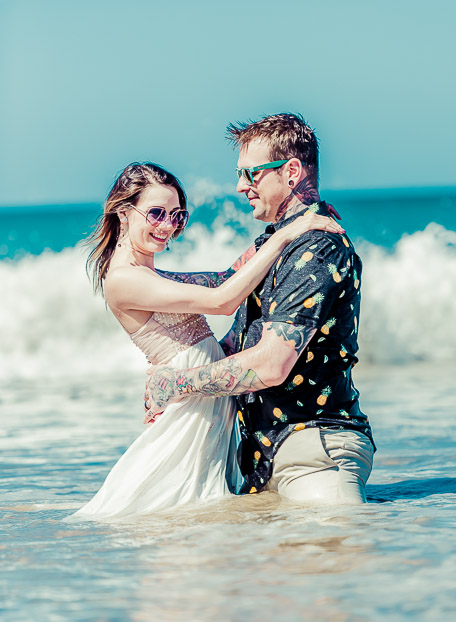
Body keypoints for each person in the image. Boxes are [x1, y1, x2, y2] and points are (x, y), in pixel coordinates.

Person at [73, 162, 341, 519]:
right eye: (156, 213)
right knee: (171, 511)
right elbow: (223, 301)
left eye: (177, 216)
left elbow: (223, 279)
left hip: (202, 401)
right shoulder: (123, 279)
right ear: (124, 212)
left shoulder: (150, 274)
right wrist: (285, 237)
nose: (167, 226)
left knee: (198, 519)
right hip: (189, 405)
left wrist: (293, 225)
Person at [144, 114, 376, 505]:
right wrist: (130, 273)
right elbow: (225, 294)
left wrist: (176, 385)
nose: (240, 186)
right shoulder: (279, 244)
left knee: (338, 555)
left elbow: (270, 364)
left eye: (251, 174)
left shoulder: (317, 247)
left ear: (291, 171)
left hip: (314, 454)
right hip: (264, 458)